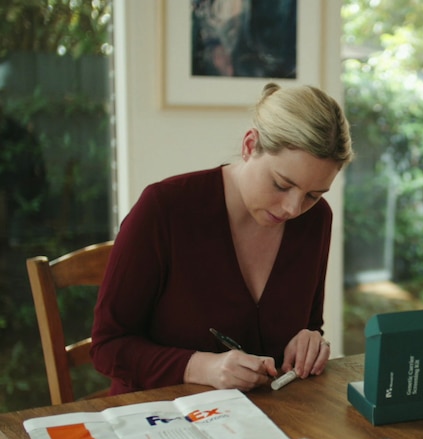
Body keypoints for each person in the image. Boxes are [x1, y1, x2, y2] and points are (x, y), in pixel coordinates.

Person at [91, 83, 353, 395]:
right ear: (249, 145)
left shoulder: (316, 219)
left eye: (312, 195)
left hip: (261, 422)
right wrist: (201, 367)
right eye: (282, 184)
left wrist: (308, 340)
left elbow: (309, 324)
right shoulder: (165, 209)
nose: (293, 209)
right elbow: (108, 347)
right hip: (156, 420)